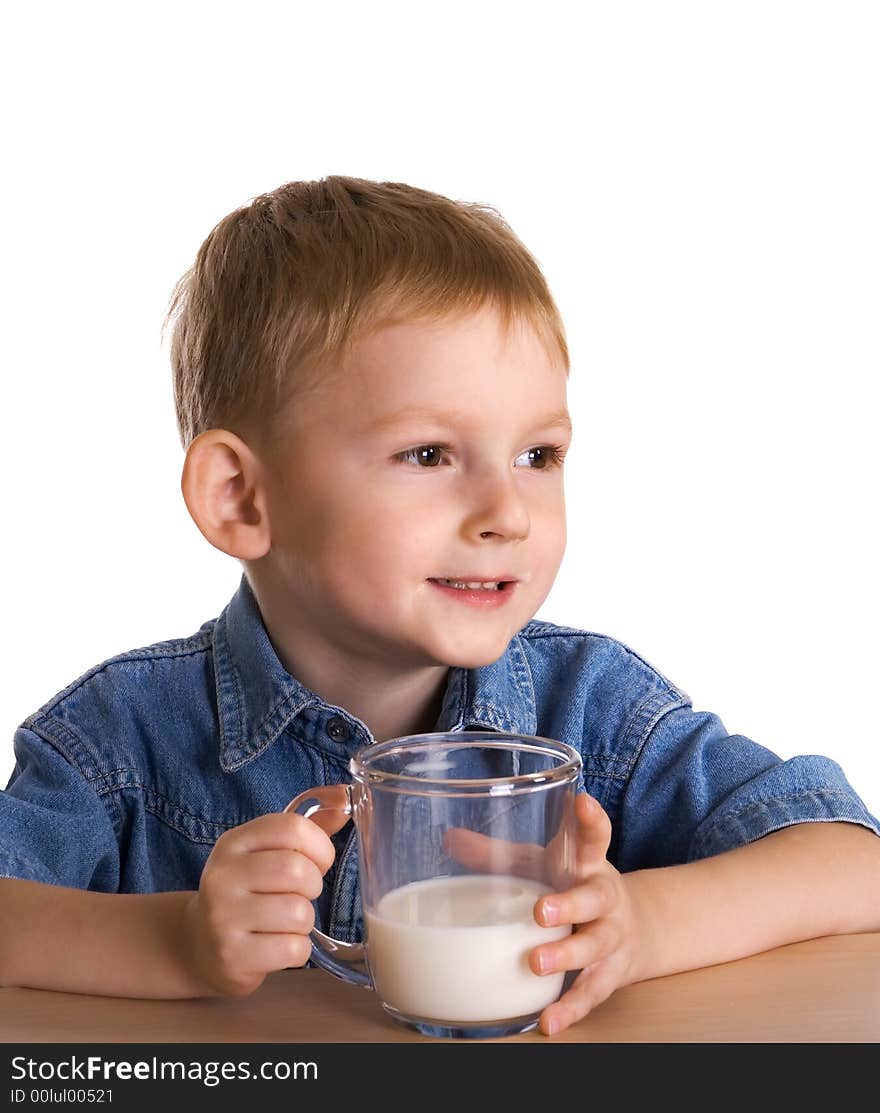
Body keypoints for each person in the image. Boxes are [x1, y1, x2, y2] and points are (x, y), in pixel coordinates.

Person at [1, 176, 878, 1037]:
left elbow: (856, 861)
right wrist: (175, 942)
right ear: (240, 497)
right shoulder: (121, 739)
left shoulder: (593, 709)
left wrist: (641, 923)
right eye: (428, 455)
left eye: (538, 454)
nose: (507, 513)